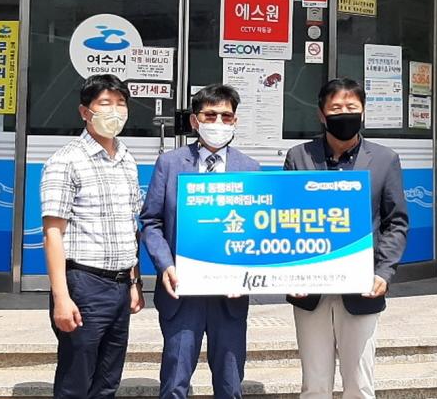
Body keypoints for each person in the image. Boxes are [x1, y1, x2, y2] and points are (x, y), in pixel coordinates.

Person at [284, 78, 409, 399]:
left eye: (351, 107)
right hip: (310, 289)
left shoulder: (384, 159)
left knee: (359, 385)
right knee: (315, 385)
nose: (344, 114)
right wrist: (288, 272)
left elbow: (396, 222)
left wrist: (383, 272)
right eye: (336, 108)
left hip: (362, 288)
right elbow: (285, 219)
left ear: (363, 112)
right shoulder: (299, 157)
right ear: (321, 114)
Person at [140, 84, 260, 399]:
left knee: (230, 384)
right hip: (182, 292)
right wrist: (165, 265)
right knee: (175, 383)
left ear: (235, 121)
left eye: (226, 116)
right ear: (195, 121)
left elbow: (258, 229)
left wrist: (248, 271)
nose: (218, 122)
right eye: (210, 115)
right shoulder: (170, 163)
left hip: (230, 296)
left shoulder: (250, 168)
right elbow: (151, 221)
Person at [41, 74, 145, 399]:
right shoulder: (66, 160)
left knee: (108, 381)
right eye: (105, 103)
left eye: (121, 103)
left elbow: (131, 226)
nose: (115, 110)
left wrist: (134, 283)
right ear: (85, 112)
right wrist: (61, 297)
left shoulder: (127, 159)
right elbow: (52, 233)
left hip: (120, 286)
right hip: (84, 285)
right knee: (76, 382)